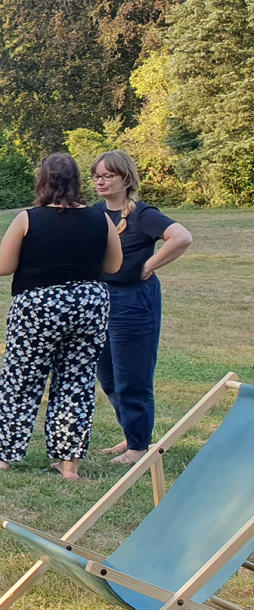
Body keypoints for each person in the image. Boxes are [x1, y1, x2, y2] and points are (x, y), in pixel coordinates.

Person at [0, 154, 123, 480]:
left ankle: (4, 454)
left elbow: (3, 267)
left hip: (37, 308)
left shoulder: (28, 219)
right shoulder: (102, 220)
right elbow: (113, 266)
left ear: (43, 180)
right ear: (77, 182)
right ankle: (68, 464)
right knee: (76, 381)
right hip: (89, 306)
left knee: (22, 379)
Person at [90, 150, 194, 466]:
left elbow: (181, 237)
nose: (100, 180)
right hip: (101, 299)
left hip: (134, 301)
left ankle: (139, 448)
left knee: (131, 376)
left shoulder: (143, 214)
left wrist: (148, 264)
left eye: (108, 175)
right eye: (97, 175)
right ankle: (132, 434)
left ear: (125, 178)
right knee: (106, 374)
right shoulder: (95, 214)